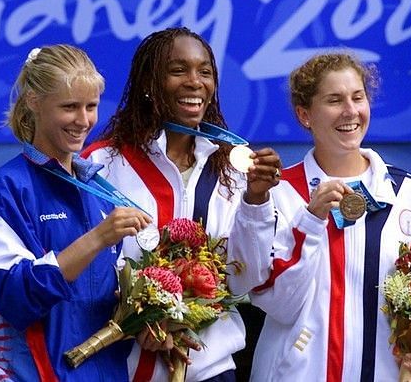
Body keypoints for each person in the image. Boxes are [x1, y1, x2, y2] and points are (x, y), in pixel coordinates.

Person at [228, 52, 411, 381]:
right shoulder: (278, 194)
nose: (350, 111)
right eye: (334, 100)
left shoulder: (405, 193)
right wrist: (310, 220)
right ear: (304, 115)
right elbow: (274, 301)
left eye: (358, 97)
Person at [82, 27, 281, 382]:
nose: (195, 82)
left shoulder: (233, 172)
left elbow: (245, 280)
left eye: (204, 72)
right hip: (120, 367)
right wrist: (138, 315)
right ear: (148, 83)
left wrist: (256, 201)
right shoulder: (102, 165)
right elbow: (85, 272)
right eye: (178, 71)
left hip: (209, 369)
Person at [0, 44, 151, 381]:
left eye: (91, 106)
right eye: (70, 107)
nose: (84, 120)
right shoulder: (4, 190)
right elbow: (17, 297)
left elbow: (104, 299)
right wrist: (99, 237)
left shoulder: (101, 190)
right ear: (34, 101)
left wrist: (147, 315)